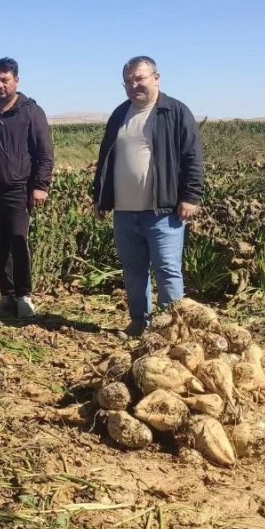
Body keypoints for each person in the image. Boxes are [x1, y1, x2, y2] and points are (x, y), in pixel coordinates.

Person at [91, 56, 204, 337]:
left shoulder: (175, 112)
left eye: (139, 79)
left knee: (167, 271)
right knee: (134, 272)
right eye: (128, 81)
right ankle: (139, 323)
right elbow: (106, 157)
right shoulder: (120, 113)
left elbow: (193, 157)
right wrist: (100, 196)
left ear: (156, 77)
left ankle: (172, 331)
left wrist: (190, 196)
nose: (133, 85)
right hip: (125, 212)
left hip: (163, 211)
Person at [0, 57, 53, 319]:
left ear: (16, 80)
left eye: (5, 80)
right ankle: (6, 294)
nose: (0, 85)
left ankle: (23, 296)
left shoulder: (30, 112)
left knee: (18, 240)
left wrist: (40, 186)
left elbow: (45, 152)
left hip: (19, 189)